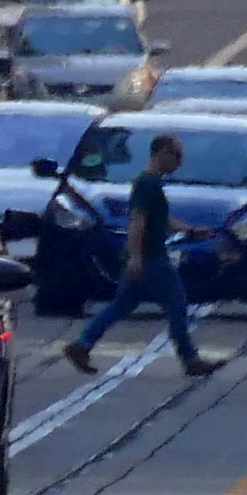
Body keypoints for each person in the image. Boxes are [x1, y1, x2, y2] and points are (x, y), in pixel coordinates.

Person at [67, 132, 215, 378]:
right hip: (151, 257)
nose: (178, 163)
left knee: (122, 304)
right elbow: (138, 222)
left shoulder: (149, 184)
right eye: (176, 156)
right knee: (177, 303)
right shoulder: (148, 184)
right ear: (161, 153)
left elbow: (160, 219)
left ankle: (82, 344)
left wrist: (189, 230)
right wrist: (136, 257)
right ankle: (190, 359)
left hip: (143, 256)